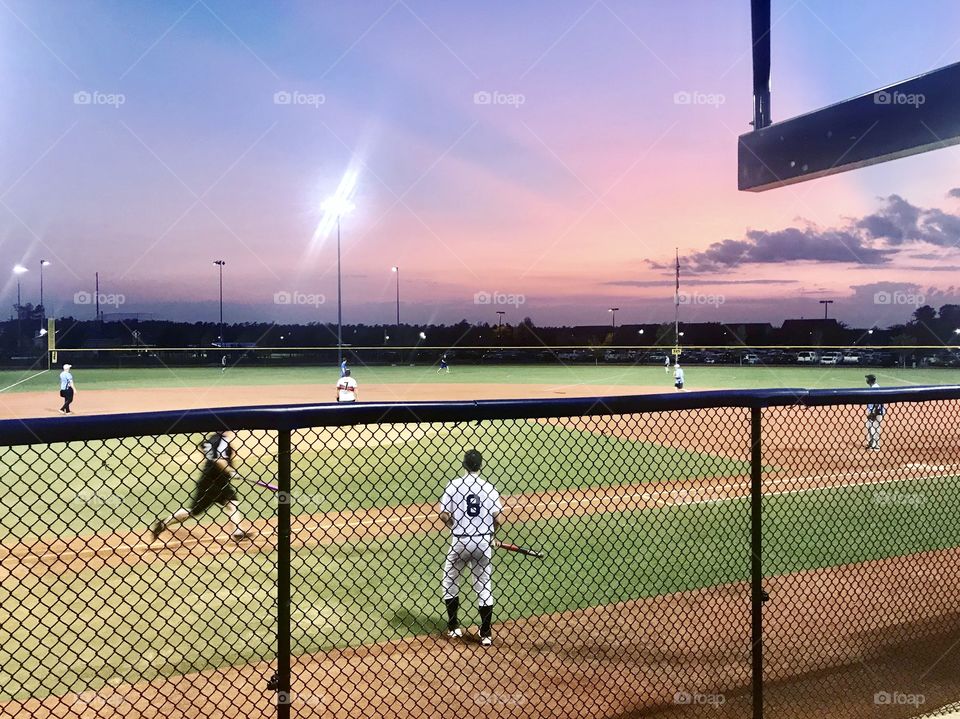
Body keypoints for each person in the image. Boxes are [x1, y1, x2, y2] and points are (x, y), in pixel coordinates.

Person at [440, 449, 503, 647]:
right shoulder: (489, 487)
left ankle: (453, 627)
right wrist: (490, 535)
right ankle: (485, 634)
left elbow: (443, 514)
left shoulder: (453, 485)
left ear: (464, 464)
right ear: (480, 465)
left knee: (450, 580)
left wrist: (455, 527)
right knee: (484, 585)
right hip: (483, 542)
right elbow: (498, 518)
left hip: (460, 541)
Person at [150, 429, 250, 542]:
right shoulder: (223, 440)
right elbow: (219, 459)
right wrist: (231, 471)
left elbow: (203, 446)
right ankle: (163, 523)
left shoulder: (211, 439)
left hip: (216, 481)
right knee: (194, 511)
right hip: (212, 482)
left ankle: (237, 532)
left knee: (232, 503)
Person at [865, 374, 885, 451]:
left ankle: (875, 446)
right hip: (873, 411)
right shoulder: (874, 387)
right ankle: (871, 443)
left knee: (875, 428)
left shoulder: (875, 388)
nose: (866, 380)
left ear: (870, 380)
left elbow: (877, 402)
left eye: (867, 379)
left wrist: (874, 413)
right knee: (869, 427)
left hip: (876, 412)